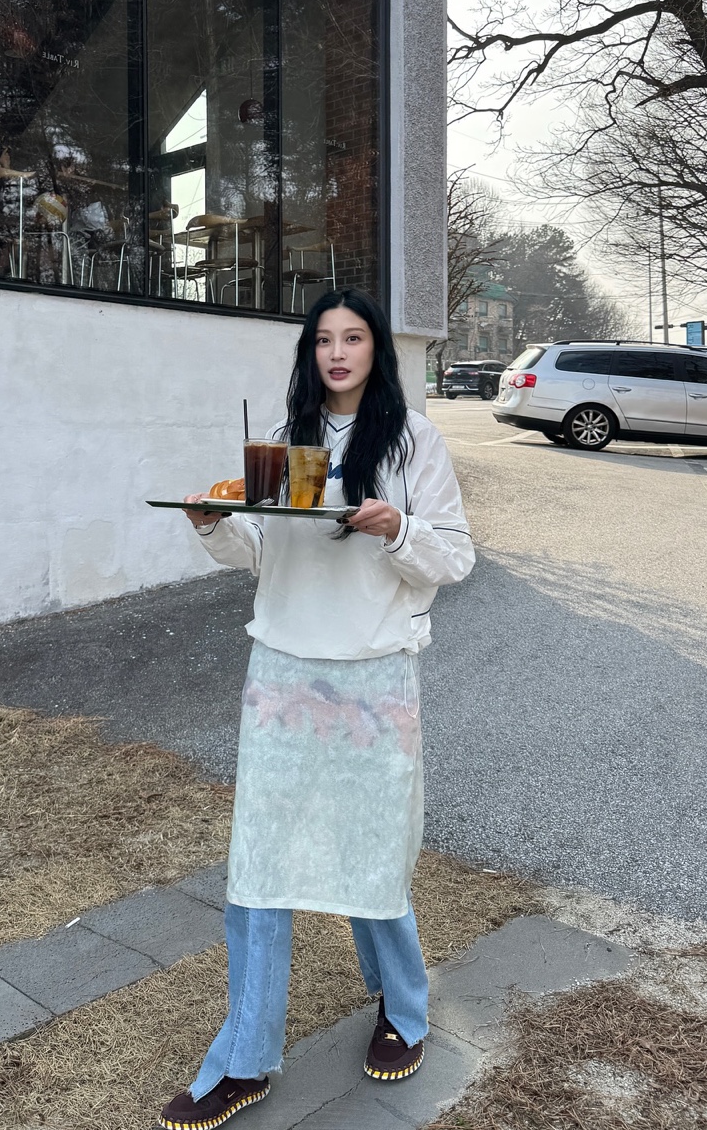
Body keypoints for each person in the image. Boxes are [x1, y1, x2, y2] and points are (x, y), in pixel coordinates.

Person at [158, 288, 475, 1130]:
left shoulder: (412, 440)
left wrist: (397, 528)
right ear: (310, 353)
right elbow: (263, 552)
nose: (337, 353)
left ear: (377, 351)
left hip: (373, 676)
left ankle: (404, 1007)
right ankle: (244, 1058)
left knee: (374, 851)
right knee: (259, 866)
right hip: (283, 673)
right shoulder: (284, 438)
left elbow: (456, 558)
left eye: (354, 338)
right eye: (324, 340)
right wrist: (211, 525)